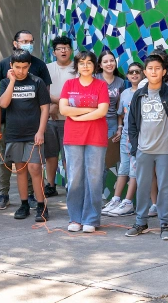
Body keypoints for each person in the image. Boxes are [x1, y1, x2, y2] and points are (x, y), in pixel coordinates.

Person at [0, 30, 53, 210]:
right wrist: (11, 81)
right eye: (17, 67)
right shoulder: (5, 83)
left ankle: (41, 205)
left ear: (29, 66)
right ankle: (24, 204)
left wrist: (41, 131)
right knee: (19, 169)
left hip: (33, 133)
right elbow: (3, 103)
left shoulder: (37, 82)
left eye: (25, 67)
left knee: (35, 169)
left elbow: (45, 108)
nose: (21, 71)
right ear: (11, 66)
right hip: (13, 133)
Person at [124, 55, 168, 240]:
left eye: (158, 68)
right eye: (150, 68)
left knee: (165, 187)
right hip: (143, 149)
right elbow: (131, 123)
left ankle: (165, 224)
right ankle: (141, 221)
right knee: (143, 186)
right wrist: (135, 146)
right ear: (145, 72)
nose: (154, 71)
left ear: (164, 72)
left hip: (165, 149)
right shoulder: (138, 94)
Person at [59, 51, 110, 233]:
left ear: (95, 65)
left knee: (94, 179)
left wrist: (78, 115)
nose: (85, 66)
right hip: (73, 137)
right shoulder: (69, 84)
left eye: (89, 62)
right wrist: (90, 109)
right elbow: (64, 110)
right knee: (74, 178)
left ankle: (91, 219)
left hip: (96, 136)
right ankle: (75, 218)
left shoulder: (101, 85)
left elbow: (102, 111)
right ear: (76, 66)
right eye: (81, 63)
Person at [104, 61, 141, 217]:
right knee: (123, 168)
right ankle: (116, 199)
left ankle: (128, 202)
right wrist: (119, 129)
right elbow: (120, 114)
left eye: (137, 71)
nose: (134, 74)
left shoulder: (145, 91)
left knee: (134, 169)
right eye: (131, 72)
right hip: (125, 134)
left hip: (138, 136)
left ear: (143, 73)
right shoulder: (125, 93)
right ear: (127, 75)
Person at [44, 35, 78, 198]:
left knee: (68, 155)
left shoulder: (77, 68)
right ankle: (50, 185)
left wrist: (58, 105)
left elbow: (78, 93)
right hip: (50, 119)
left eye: (66, 47)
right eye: (60, 48)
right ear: (54, 51)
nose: (63, 50)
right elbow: (43, 91)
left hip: (70, 119)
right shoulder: (47, 68)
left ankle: (71, 184)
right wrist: (53, 105)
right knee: (51, 154)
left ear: (71, 50)